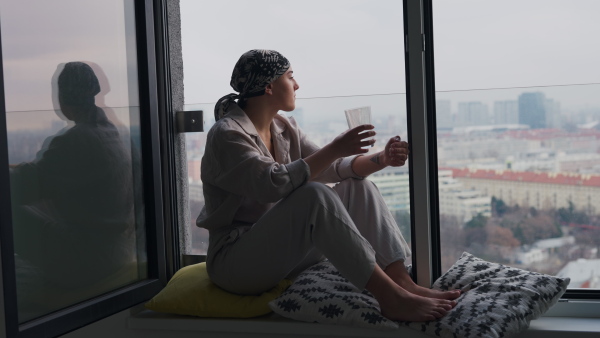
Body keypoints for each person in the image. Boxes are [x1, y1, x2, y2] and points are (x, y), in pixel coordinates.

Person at [197, 49, 460, 322]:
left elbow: (333, 168)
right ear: (269, 86)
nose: (297, 85)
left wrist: (381, 158)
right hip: (238, 263)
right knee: (313, 195)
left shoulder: (283, 127)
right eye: (290, 77)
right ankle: (390, 298)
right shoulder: (227, 134)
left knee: (357, 186)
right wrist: (336, 147)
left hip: (284, 253)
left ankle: (402, 282)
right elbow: (272, 184)